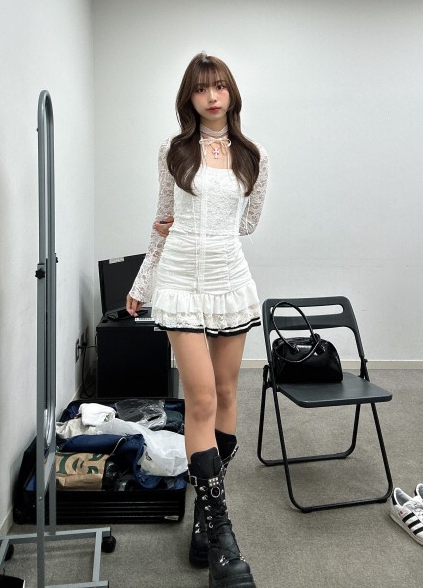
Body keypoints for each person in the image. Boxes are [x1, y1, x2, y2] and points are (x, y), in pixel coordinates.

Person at [126, 52, 268, 588]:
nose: (212, 96)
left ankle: (205, 519)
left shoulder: (253, 156)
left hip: (230, 281)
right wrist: (143, 282)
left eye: (221, 86)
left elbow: (248, 223)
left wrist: (216, 233)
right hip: (181, 280)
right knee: (202, 399)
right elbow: (163, 219)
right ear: (189, 96)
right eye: (202, 88)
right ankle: (223, 539)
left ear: (232, 94)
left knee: (227, 394)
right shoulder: (174, 151)